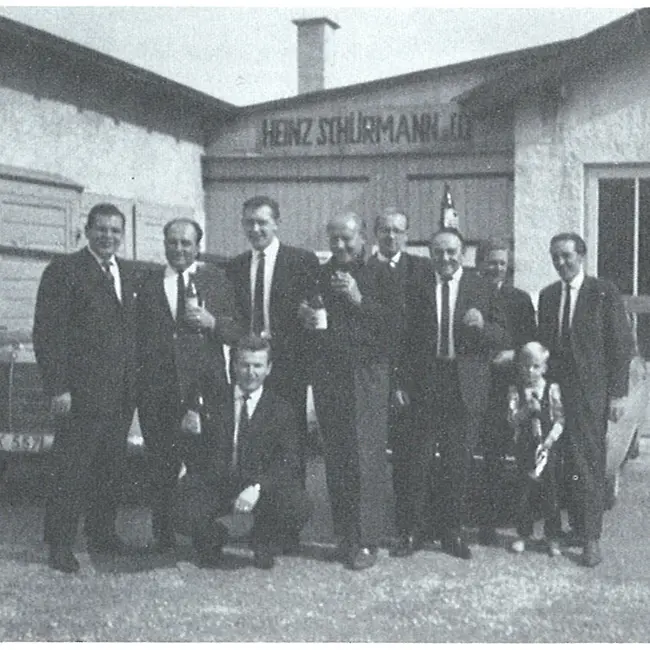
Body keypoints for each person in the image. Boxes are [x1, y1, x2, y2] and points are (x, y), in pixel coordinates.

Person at [33, 203, 138, 573]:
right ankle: (60, 544)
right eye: (101, 229)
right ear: (88, 230)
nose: (108, 236)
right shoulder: (64, 270)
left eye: (115, 230)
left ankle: (102, 534)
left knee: (110, 469)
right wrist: (58, 387)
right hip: (80, 395)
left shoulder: (128, 273)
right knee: (71, 471)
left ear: (122, 235)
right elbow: (47, 333)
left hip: (120, 394)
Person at [398, 227, 509, 560]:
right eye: (438, 252)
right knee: (417, 461)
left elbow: (503, 335)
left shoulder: (481, 286)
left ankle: (452, 532)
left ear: (463, 254)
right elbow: (404, 339)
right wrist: (400, 383)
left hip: (465, 384)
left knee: (457, 464)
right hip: (426, 382)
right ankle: (412, 531)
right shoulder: (417, 286)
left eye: (451, 252)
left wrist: (483, 326)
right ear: (431, 255)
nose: (445, 258)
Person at [136, 218, 244, 552]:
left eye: (186, 243)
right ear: (164, 244)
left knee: (207, 466)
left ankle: (204, 537)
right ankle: (163, 536)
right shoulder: (149, 283)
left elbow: (238, 331)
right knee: (162, 465)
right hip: (160, 393)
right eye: (173, 242)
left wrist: (213, 323)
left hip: (207, 391)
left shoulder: (216, 280)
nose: (179, 249)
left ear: (198, 246)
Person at [301, 212, 394, 570]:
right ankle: (345, 536)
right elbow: (313, 322)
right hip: (330, 375)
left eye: (347, 239)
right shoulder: (320, 275)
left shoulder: (380, 274)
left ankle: (367, 540)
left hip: (366, 376)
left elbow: (394, 327)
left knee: (365, 458)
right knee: (337, 457)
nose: (340, 246)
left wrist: (358, 298)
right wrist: (305, 316)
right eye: (334, 239)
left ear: (363, 239)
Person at [172, 335, 312, 570]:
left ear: (268, 368)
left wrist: (257, 487)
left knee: (298, 505)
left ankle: (262, 537)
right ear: (234, 366)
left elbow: (288, 460)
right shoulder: (214, 401)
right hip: (220, 482)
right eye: (245, 365)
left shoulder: (281, 409)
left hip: (258, 487)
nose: (251, 373)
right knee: (182, 507)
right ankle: (214, 536)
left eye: (257, 366)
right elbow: (192, 451)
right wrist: (189, 430)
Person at [537, 232, 634, 567]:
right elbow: (544, 344)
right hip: (555, 392)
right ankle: (568, 528)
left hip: (590, 394)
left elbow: (621, 345)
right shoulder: (549, 295)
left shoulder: (603, 292)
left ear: (581, 255)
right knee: (558, 461)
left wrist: (618, 393)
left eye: (566, 255)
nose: (561, 262)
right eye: (555, 256)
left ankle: (591, 538)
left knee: (588, 464)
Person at [227, 197, 321, 506]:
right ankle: (250, 505)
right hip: (248, 365)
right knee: (248, 436)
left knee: (290, 441)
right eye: (249, 222)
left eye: (262, 222)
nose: (255, 229)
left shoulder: (301, 261)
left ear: (276, 223)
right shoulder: (236, 266)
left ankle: (287, 513)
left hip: (287, 365)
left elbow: (314, 312)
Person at [369, 208, 433, 557]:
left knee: (412, 460)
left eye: (397, 231)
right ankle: (371, 529)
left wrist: (402, 382)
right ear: (375, 234)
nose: (391, 237)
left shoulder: (422, 269)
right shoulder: (365, 270)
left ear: (407, 235)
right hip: (372, 379)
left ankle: (411, 529)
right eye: (385, 230)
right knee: (373, 459)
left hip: (413, 382)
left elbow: (424, 331)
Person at [476, 238, 537, 546]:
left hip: (508, 386)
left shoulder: (519, 299)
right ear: (480, 263)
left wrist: (513, 355)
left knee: (516, 454)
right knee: (484, 457)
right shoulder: (470, 293)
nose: (497, 268)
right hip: (475, 385)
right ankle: (483, 523)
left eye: (502, 262)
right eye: (491, 262)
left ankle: (517, 524)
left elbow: (531, 341)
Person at [507, 342, 564, 557]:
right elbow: (511, 419)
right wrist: (525, 410)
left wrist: (550, 439)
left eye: (535, 366)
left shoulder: (551, 389)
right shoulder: (516, 391)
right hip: (525, 445)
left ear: (544, 368)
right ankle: (523, 534)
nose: (530, 371)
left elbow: (560, 419)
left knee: (551, 492)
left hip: (548, 446)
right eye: (526, 366)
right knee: (525, 491)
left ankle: (553, 537)